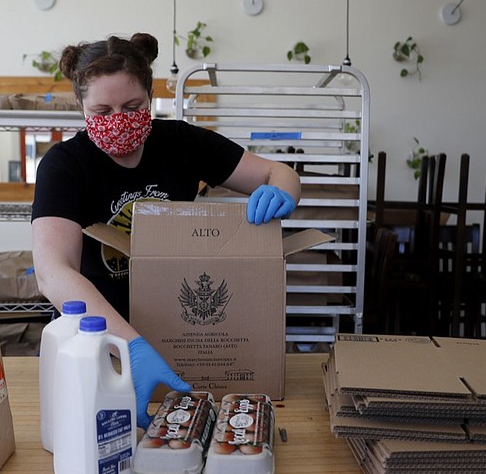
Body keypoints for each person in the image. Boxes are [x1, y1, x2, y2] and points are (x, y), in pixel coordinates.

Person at [31, 32, 301, 429]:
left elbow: (277, 171)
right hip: (99, 344)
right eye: (101, 111)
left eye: (132, 106)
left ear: (150, 97)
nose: (117, 120)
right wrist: (131, 347)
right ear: (81, 108)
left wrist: (283, 190)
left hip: (179, 336)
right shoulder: (65, 165)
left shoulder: (180, 143)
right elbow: (52, 272)